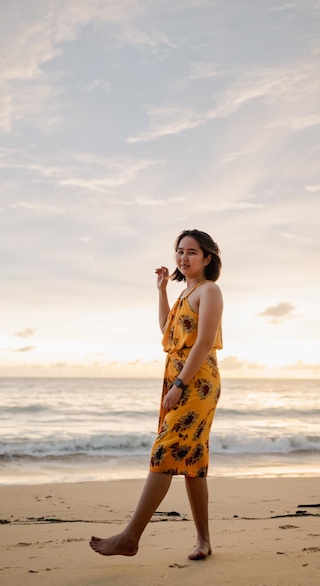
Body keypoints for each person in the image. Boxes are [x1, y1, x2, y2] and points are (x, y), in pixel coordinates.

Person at [90, 229, 223, 561]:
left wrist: (180, 385)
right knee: (192, 463)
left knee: (164, 452)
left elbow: (204, 343)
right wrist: (162, 290)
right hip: (178, 378)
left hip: (196, 382)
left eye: (191, 252)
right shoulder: (184, 294)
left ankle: (129, 537)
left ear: (207, 258)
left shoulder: (210, 291)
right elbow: (167, 332)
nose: (183, 257)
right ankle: (204, 541)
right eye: (179, 251)